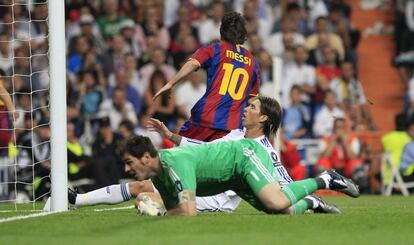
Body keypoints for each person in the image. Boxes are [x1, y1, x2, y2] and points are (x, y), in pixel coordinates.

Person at [68, 96, 347, 214]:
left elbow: (283, 183)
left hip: (215, 199)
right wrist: (171, 136)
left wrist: (297, 193)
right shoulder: (235, 136)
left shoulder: (264, 151)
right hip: (199, 180)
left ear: (262, 118)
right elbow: (201, 151)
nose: (245, 109)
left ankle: (311, 198)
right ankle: (78, 199)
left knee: (282, 206)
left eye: (252, 106)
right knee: (143, 189)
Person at [123, 135, 358, 216]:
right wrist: (161, 210)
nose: (126, 170)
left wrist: (158, 212)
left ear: (145, 157)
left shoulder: (174, 162)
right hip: (231, 178)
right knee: (282, 210)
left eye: (128, 162)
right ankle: (311, 202)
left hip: (242, 158)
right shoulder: (158, 176)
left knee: (275, 200)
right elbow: (176, 209)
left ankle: (327, 179)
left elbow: (188, 212)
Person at [153, 11, 260, 142]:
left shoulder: (216, 49)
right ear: (243, 34)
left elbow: (193, 63)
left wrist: (171, 83)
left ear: (222, 31)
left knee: (183, 152)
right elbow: (253, 100)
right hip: (232, 128)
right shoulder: (253, 61)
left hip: (206, 119)